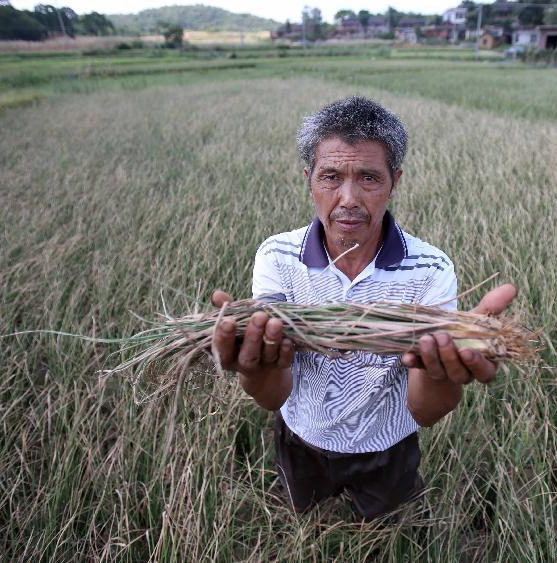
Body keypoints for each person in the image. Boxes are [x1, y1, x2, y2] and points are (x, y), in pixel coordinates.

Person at [211, 96, 517, 520]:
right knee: (306, 525)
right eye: (331, 176)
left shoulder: (430, 269)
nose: (348, 198)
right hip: (302, 436)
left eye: (369, 178)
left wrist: (443, 372)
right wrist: (253, 367)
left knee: (384, 533)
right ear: (309, 179)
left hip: (386, 447)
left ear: (395, 181)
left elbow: (425, 411)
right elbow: (272, 393)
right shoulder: (277, 257)